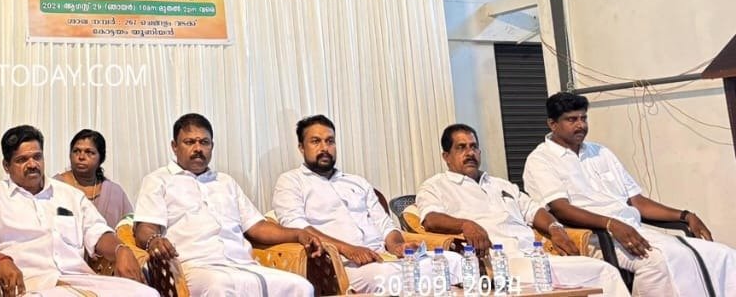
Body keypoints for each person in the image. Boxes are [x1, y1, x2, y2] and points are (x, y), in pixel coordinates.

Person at [525, 92, 736, 296]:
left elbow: (636, 201)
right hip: (594, 237)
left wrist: (685, 215)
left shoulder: (601, 152)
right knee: (658, 263)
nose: (581, 125)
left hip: (632, 230)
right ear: (552, 124)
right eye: (572, 119)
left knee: (722, 254)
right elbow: (561, 210)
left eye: (583, 118)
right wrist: (610, 224)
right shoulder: (541, 159)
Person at [417, 124, 629, 296]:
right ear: (446, 156)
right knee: (603, 272)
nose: (470, 153)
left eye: (474, 147)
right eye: (461, 148)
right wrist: (466, 224)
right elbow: (430, 218)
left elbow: (533, 210)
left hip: (536, 256)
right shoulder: (436, 185)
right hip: (500, 263)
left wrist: (555, 228)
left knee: (602, 271)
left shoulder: (500, 184)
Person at [133, 113, 320, 297]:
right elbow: (145, 227)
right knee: (220, 287)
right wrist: (154, 240)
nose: (198, 148)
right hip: (195, 267)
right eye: (189, 142)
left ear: (212, 146)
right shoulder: (158, 180)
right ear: (174, 146)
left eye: (204, 142)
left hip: (242, 264)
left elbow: (257, 227)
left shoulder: (225, 182)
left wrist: (298, 234)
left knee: (301, 287)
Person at [273, 115, 464, 293]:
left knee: (454, 261)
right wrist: (349, 249)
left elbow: (385, 224)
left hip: (384, 257)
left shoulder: (357, 182)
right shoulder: (291, 181)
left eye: (330, 141)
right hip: (344, 264)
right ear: (301, 147)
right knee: (388, 277)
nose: (324, 148)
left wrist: (397, 246)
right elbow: (296, 226)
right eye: (316, 141)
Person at [0, 125, 155, 297]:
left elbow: (97, 231)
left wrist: (121, 249)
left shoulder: (70, 195)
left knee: (146, 293)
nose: (32, 164)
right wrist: (1, 260)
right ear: (6, 166)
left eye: (37, 157)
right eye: (22, 160)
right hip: (29, 283)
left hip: (78, 279)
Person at [53, 129, 134, 227]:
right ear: (70, 155)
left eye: (89, 152)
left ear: (101, 158)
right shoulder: (54, 187)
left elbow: (129, 224)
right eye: (76, 151)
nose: (81, 157)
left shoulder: (115, 192)